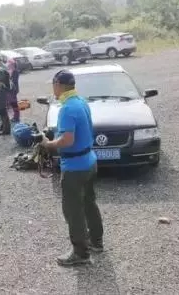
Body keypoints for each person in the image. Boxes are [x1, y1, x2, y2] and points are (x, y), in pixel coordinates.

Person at [41, 70, 103, 267]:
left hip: (75, 167)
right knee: (89, 203)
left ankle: (80, 252)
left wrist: (48, 144)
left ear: (58, 85)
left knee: (73, 210)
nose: (53, 88)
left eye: (53, 85)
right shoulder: (81, 102)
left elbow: (67, 140)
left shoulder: (67, 108)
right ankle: (96, 241)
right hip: (89, 161)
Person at [7, 58, 21, 123]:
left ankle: (17, 117)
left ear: (13, 64)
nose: (9, 66)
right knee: (12, 103)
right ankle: (15, 116)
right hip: (10, 90)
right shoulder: (10, 71)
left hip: (13, 90)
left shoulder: (15, 72)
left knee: (14, 103)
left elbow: (13, 81)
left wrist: (9, 78)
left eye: (10, 64)